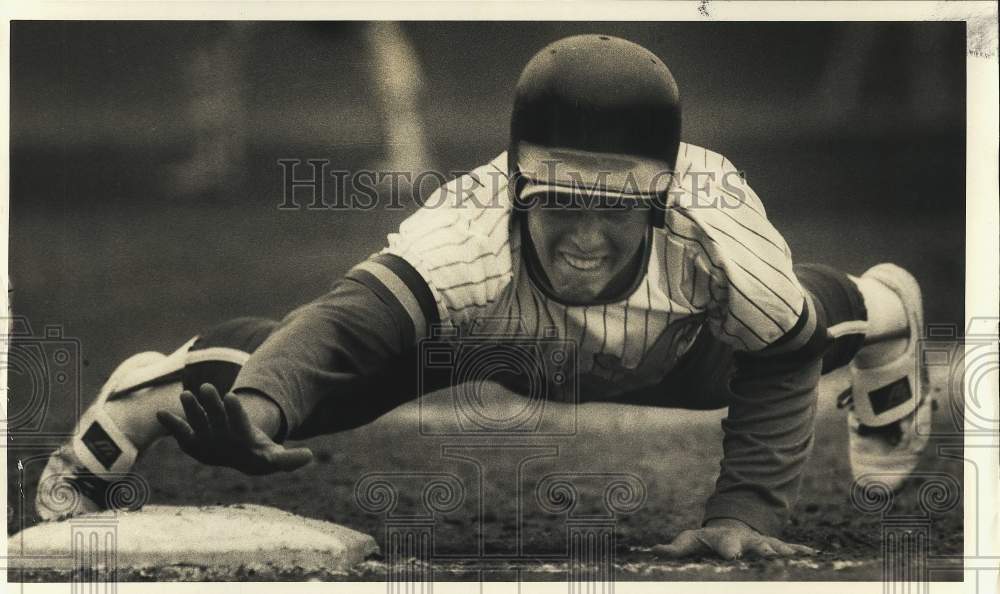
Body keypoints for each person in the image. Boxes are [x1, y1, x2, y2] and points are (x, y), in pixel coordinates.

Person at [37, 34, 933, 561]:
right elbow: (345, 327)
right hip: (489, 339)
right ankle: (159, 393)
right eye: (557, 204)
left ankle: (890, 306)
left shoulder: (721, 232)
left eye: (613, 210)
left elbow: (779, 355)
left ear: (660, 202)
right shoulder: (465, 227)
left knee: (809, 323)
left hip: (678, 350)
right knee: (300, 392)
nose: (585, 236)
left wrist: (745, 513)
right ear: (513, 188)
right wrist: (262, 402)